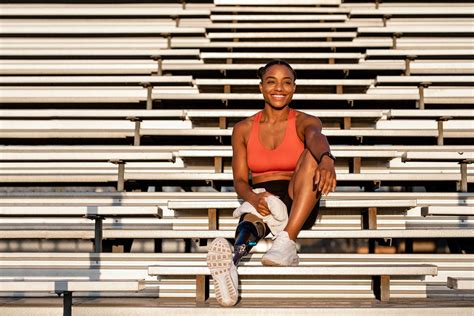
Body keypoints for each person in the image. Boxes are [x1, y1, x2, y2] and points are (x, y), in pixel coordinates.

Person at [206, 60, 337, 307]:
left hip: (300, 196)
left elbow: (316, 138)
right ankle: (231, 265)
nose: (280, 88)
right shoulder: (243, 129)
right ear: (261, 87)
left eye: (287, 82)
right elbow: (241, 181)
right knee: (251, 219)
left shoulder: (305, 121)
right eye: (272, 81)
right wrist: (254, 198)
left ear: (294, 88)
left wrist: (327, 159)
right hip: (264, 195)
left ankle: (286, 242)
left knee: (312, 153)